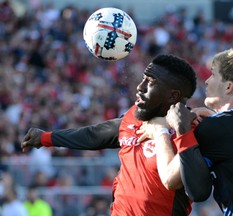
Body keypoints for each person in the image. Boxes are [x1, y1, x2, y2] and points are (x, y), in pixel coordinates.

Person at [21, 54, 212, 216]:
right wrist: (45, 138)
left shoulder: (190, 130)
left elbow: (199, 190)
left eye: (150, 83)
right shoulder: (132, 118)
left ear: (172, 96)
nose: (140, 87)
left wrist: (165, 132)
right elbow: (95, 135)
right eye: (143, 79)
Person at [139, 48, 233, 215]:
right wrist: (216, 118)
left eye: (214, 75)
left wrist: (160, 133)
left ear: (229, 87)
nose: (207, 81)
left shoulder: (217, 127)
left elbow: (169, 179)